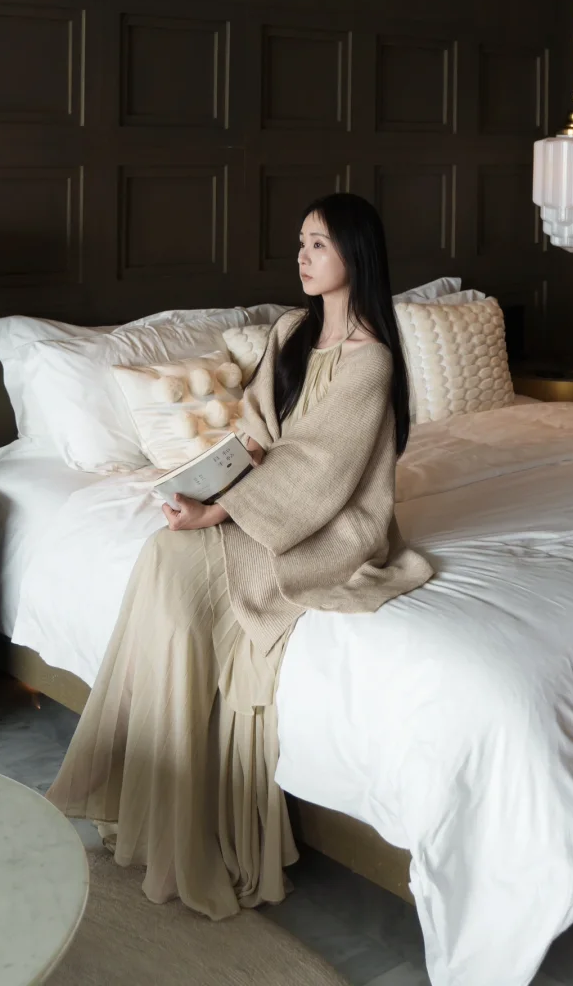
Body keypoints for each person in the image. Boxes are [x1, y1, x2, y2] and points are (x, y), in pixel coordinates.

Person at [46, 192, 432, 917]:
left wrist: (219, 511)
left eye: (318, 244)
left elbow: (319, 469)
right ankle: (148, 787)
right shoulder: (291, 330)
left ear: (356, 254)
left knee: (184, 564)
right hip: (264, 500)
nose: (302, 257)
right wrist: (209, 479)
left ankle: (186, 809)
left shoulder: (372, 361)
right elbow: (256, 426)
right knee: (163, 555)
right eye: (301, 242)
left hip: (328, 524)